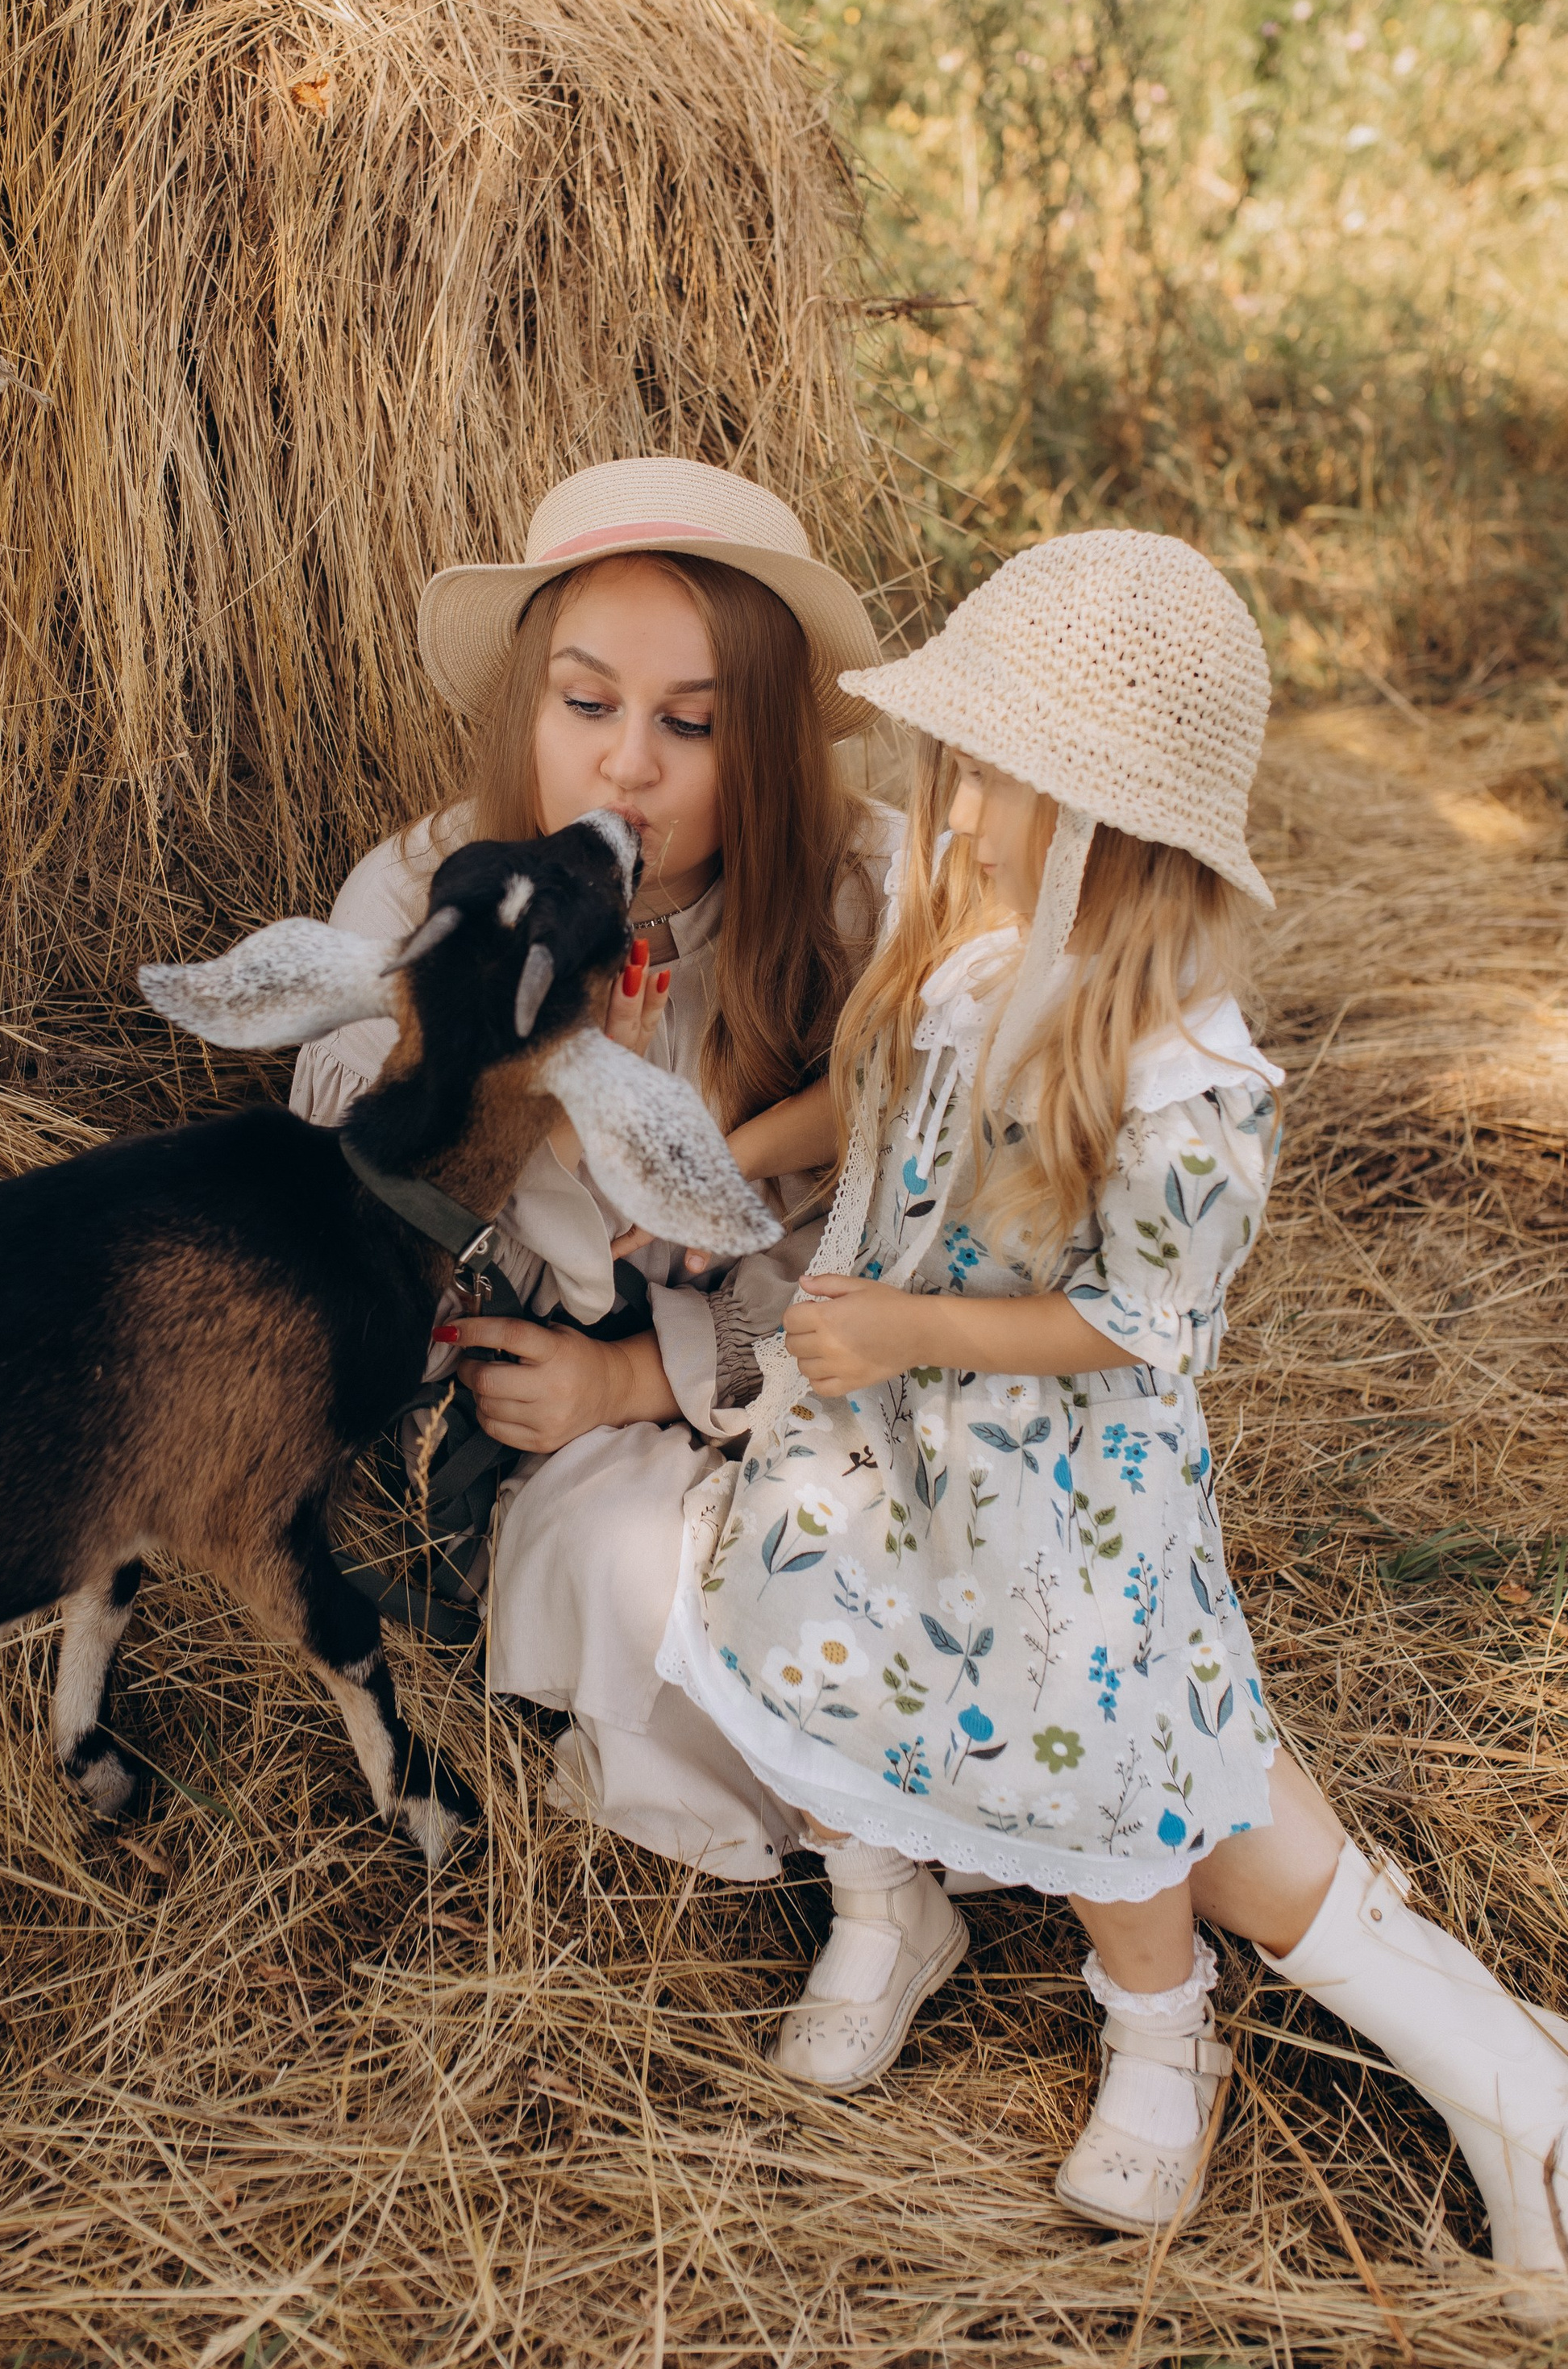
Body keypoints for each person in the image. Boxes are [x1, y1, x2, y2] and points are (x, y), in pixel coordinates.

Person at [655, 528, 1568, 2280]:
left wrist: (909, 1331)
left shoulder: (1180, 1071)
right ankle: (886, 1905)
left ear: (1106, 818)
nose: (950, 802)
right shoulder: (961, 957)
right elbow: (874, 1119)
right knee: (825, 1624)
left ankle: (1164, 2031)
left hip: (1042, 1471)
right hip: (888, 1435)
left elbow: (1139, 1323)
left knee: (1097, 1751)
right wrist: (711, 1170)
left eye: (992, 774)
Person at [290, 455, 896, 1877]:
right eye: (587, 705)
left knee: (881, 1543)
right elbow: (328, 1100)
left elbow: (914, 1175)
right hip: (558, 1395)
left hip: (809, 1354)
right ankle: (866, 1856)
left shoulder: (856, 895)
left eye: (693, 723)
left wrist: (652, 1375)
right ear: (526, 706)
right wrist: (515, 1066)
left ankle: (967, 1828)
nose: (629, 763)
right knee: (632, 1570)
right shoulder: (434, 888)